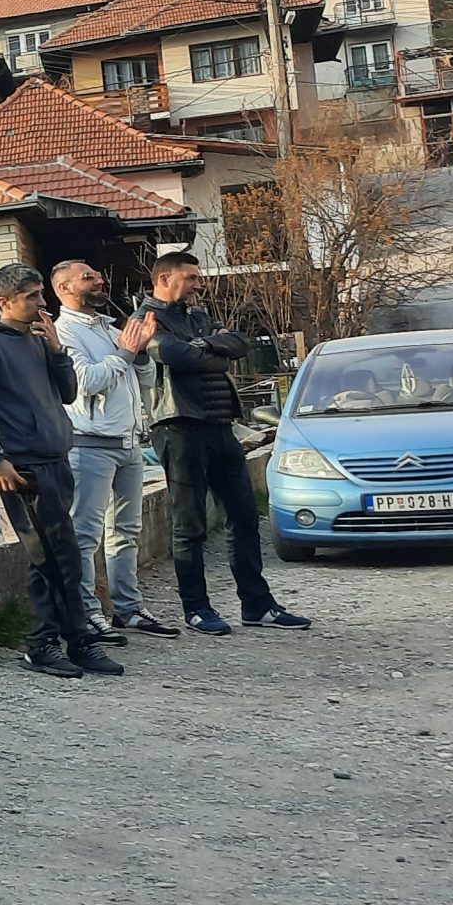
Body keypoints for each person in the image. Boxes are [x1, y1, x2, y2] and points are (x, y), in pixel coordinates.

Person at [0, 264, 116, 680]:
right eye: (31, 296)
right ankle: (42, 646)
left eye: (41, 294)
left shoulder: (39, 339)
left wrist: (58, 350)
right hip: (22, 466)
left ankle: (77, 642)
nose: (42, 303)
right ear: (5, 301)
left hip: (57, 458)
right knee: (46, 558)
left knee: (65, 556)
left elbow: (68, 393)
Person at [139, 251, 310, 636]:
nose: (200, 284)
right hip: (179, 430)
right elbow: (171, 354)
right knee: (190, 525)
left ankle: (257, 605)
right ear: (165, 279)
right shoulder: (144, 319)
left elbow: (238, 343)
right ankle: (196, 609)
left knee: (245, 517)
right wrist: (208, 349)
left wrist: (203, 349)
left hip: (220, 427)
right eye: (192, 277)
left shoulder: (198, 316)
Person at [52, 261, 178, 641]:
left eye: (98, 275)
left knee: (127, 530)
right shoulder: (62, 333)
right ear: (63, 288)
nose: (100, 281)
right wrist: (125, 353)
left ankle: (129, 608)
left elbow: (144, 380)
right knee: (85, 533)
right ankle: (88, 612)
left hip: (128, 441)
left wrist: (139, 355)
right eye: (88, 277)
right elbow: (85, 382)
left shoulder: (110, 327)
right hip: (89, 444)